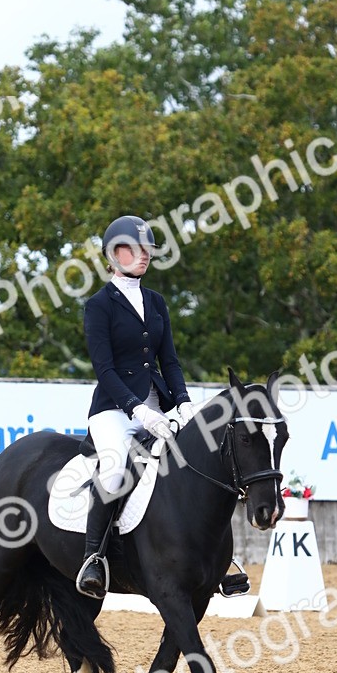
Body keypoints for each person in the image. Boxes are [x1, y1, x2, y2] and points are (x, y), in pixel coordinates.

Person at [76, 214, 195, 598]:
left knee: (195, 462)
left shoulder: (156, 301)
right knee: (113, 472)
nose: (145, 255)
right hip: (113, 409)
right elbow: (104, 369)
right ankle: (93, 558)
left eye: (148, 249)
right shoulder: (99, 305)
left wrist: (184, 403)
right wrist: (135, 408)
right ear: (114, 254)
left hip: (159, 405)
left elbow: (170, 362)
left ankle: (213, 558)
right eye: (136, 248)